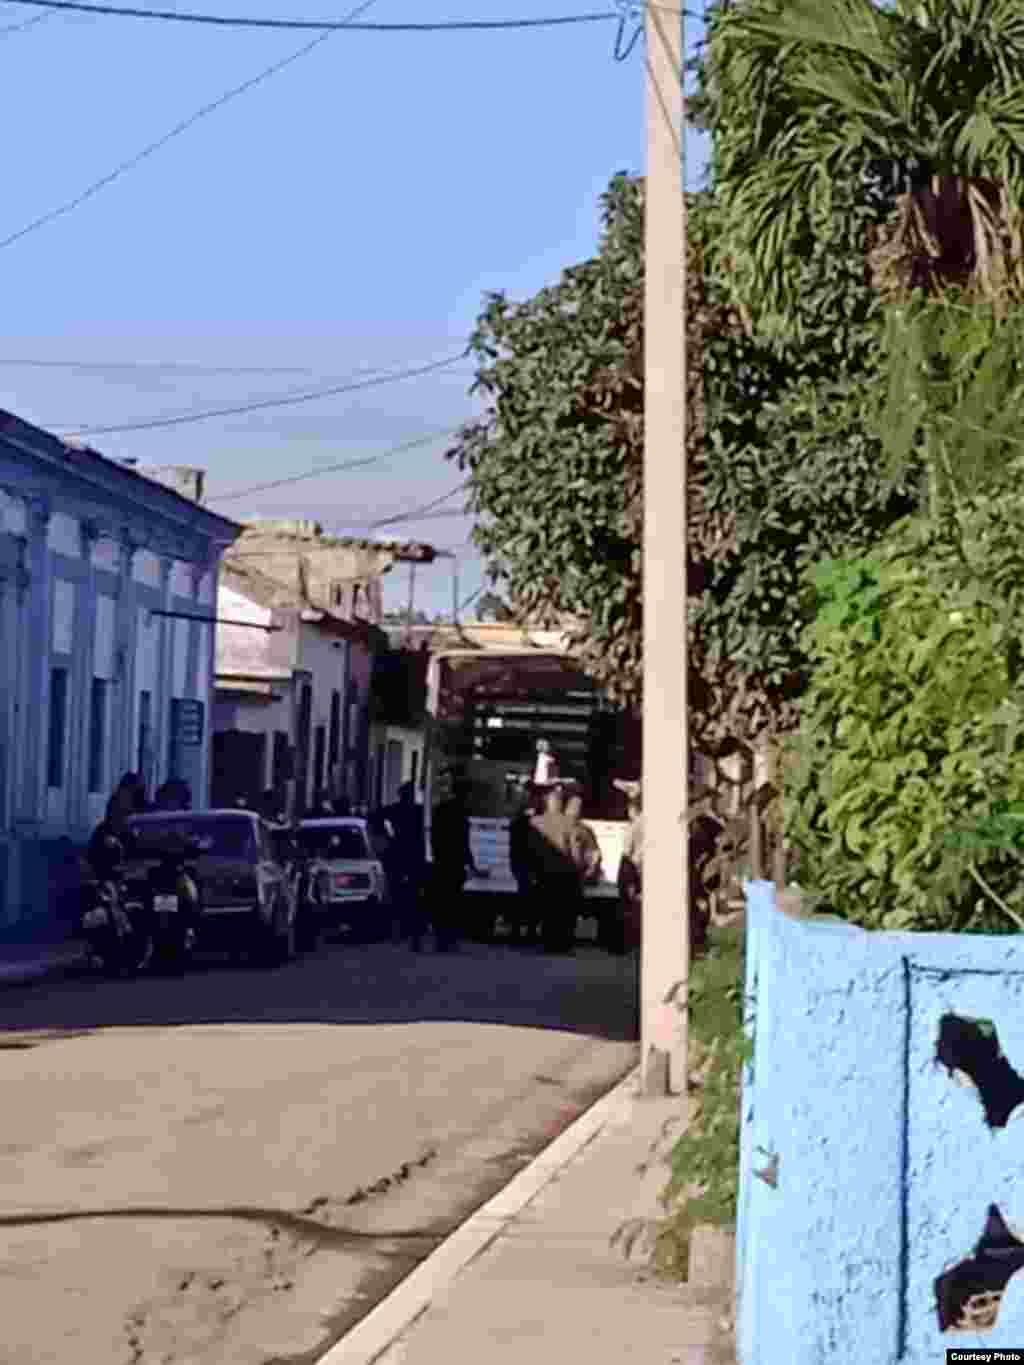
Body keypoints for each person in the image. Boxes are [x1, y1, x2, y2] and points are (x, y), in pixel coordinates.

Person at [430, 775, 487, 951]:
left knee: (442, 902)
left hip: (441, 862)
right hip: (454, 864)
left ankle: (441, 939)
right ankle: (449, 939)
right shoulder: (461, 812)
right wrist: (472, 865)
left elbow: (434, 837)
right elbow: (463, 843)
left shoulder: (440, 809)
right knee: (453, 903)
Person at [528, 784, 578, 953]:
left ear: (547, 802)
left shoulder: (535, 822)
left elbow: (531, 851)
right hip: (566, 874)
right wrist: (578, 871)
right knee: (565, 912)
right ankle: (564, 945)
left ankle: (548, 944)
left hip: (544, 874)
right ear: (561, 804)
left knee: (548, 910)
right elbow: (574, 850)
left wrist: (532, 871)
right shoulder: (569, 822)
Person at [383, 781, 428, 950]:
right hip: (414, 857)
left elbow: (375, 818)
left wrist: (389, 836)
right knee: (415, 896)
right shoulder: (419, 811)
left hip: (399, 856)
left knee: (398, 894)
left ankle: (400, 930)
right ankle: (413, 932)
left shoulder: (394, 810)